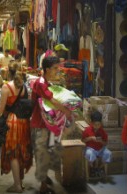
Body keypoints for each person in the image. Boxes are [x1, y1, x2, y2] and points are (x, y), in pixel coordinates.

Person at [0, 63, 33, 193]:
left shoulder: (6, 87)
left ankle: (17, 186)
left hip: (13, 122)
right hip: (24, 122)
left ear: (8, 73)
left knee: (13, 154)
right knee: (21, 151)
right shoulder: (24, 87)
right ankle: (20, 182)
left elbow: (0, 110)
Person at [30, 56, 72, 194]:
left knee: (50, 151)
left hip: (47, 123)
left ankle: (44, 177)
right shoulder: (41, 83)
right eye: (55, 68)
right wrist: (66, 110)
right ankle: (43, 185)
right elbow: (52, 101)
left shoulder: (46, 82)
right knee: (42, 153)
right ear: (47, 69)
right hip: (40, 124)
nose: (57, 71)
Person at [81, 111, 112, 177]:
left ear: (101, 123)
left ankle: (100, 168)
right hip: (91, 149)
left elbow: (105, 143)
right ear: (91, 123)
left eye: (99, 125)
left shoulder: (102, 131)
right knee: (89, 153)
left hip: (100, 149)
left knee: (108, 153)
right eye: (95, 125)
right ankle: (92, 168)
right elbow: (83, 140)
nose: (97, 126)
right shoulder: (87, 130)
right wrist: (90, 138)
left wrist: (101, 141)